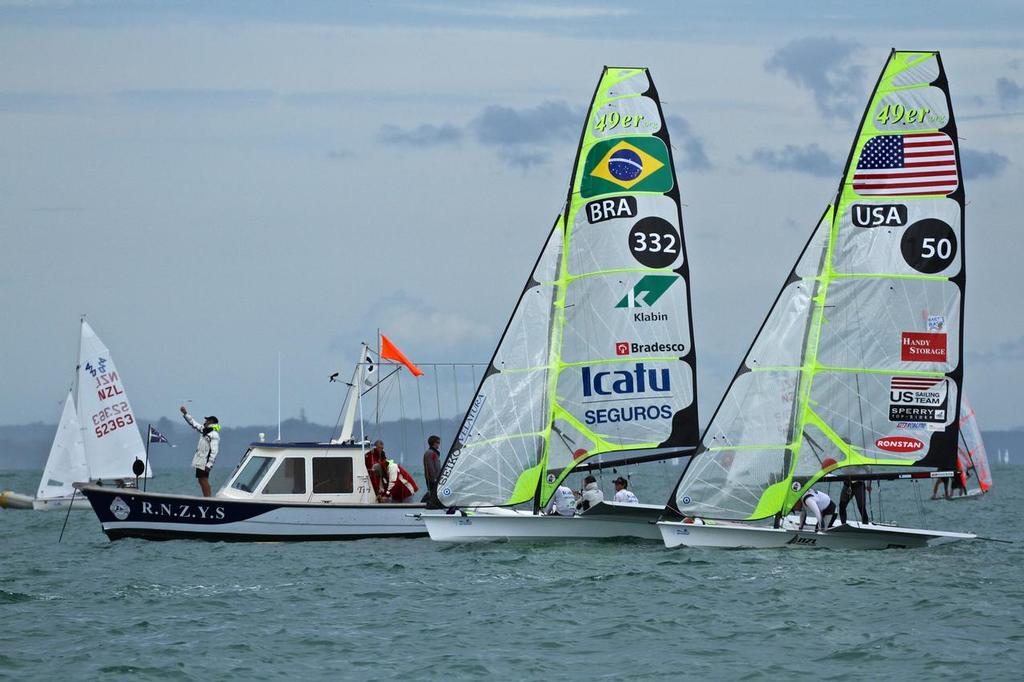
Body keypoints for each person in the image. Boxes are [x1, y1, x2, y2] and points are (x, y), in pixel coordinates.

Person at [180, 405, 220, 497]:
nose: (205, 421)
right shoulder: (204, 430)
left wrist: (209, 464)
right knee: (201, 479)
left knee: (203, 479)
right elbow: (193, 423)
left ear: (211, 422)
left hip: (205, 461)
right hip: (201, 460)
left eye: (207, 420)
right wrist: (185, 414)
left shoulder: (214, 434)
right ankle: (207, 497)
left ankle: (208, 499)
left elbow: (214, 451)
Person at [422, 435, 442, 506]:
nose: (439, 444)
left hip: (436, 479)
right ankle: (423, 504)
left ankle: (429, 504)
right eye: (438, 442)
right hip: (433, 480)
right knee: (432, 493)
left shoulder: (434, 453)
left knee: (434, 494)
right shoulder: (430, 453)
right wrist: (434, 479)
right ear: (434, 443)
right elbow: (430, 468)